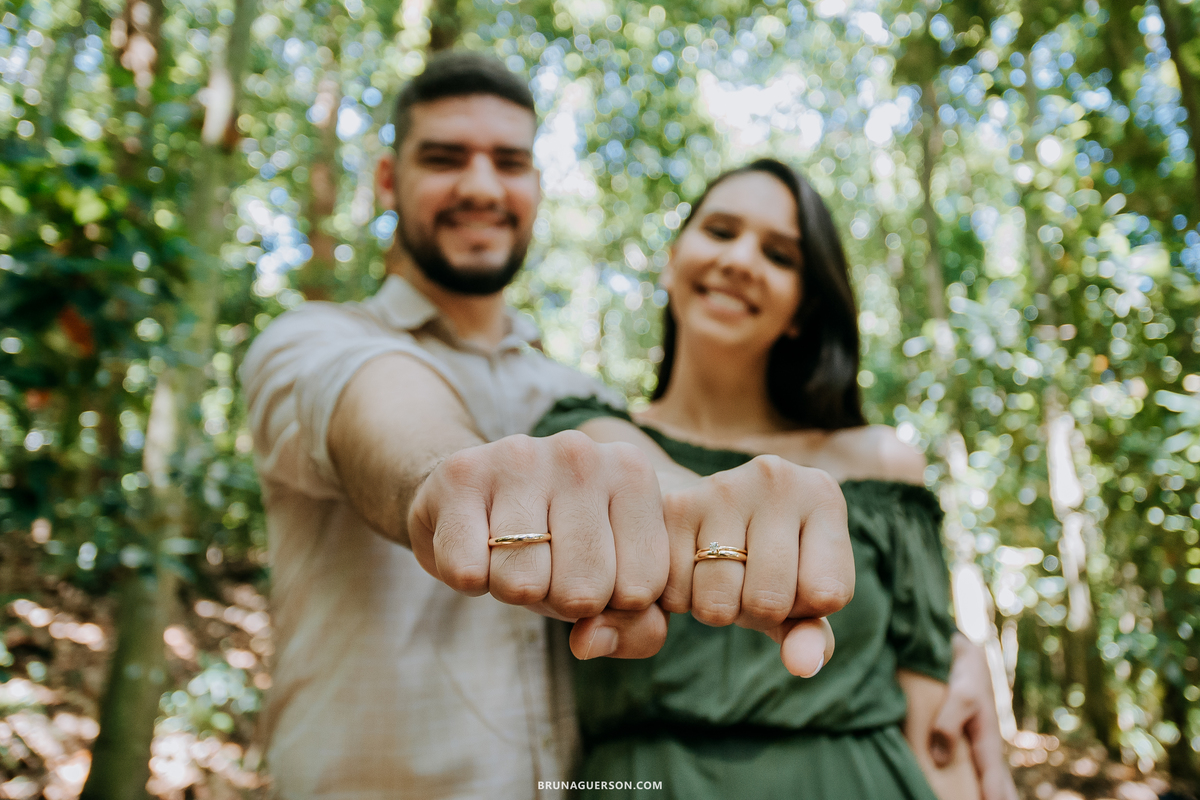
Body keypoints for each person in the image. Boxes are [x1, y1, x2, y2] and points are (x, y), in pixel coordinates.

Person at [240, 54, 852, 799]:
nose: (480, 186)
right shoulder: (315, 340)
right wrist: (440, 480)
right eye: (444, 158)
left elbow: (655, 478)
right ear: (387, 181)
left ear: (534, 188)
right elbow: (379, 408)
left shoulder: (578, 393)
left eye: (509, 162)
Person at [534, 159, 1019, 799]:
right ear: (671, 262)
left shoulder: (883, 464)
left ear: (801, 309)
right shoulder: (585, 438)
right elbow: (646, 474)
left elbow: (934, 721)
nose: (740, 259)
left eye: (780, 254)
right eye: (721, 231)